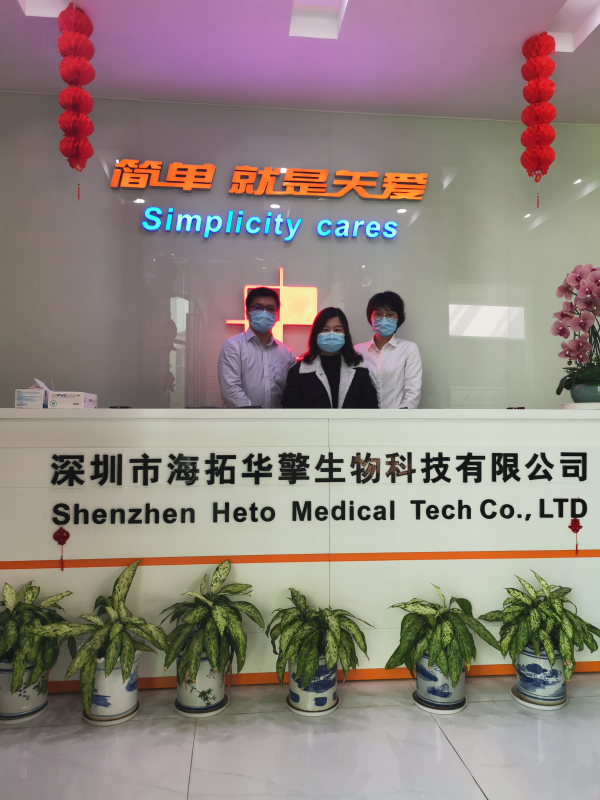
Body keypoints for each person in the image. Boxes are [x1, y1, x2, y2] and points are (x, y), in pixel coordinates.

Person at [282, 307, 378, 409]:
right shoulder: (299, 372)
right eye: (325, 330)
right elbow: (289, 410)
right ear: (316, 335)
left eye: (337, 330)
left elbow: (370, 407)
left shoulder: (359, 369)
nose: (331, 334)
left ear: (345, 334)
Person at [218, 287, 296, 408]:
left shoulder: (287, 353)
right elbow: (230, 390)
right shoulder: (233, 346)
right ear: (247, 313)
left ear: (277, 315)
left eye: (270, 309)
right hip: (241, 419)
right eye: (258, 308)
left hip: (277, 419)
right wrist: (255, 415)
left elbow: (291, 393)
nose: (264, 313)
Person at [355, 290, 422, 409]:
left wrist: (400, 417)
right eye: (378, 314)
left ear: (398, 318)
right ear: (370, 317)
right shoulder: (357, 350)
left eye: (390, 314)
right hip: (365, 418)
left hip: (398, 418)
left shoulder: (409, 349)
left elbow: (413, 392)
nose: (384, 319)